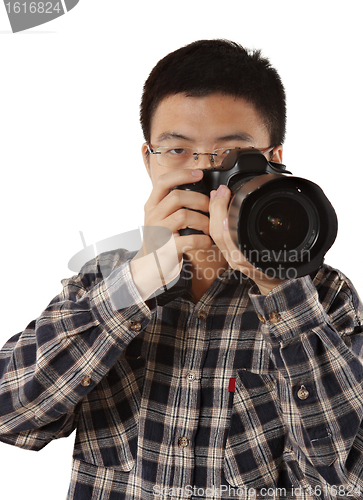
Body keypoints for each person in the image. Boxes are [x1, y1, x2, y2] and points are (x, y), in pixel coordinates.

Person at [0, 39, 362, 500]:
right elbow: (11, 415)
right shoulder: (104, 283)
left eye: (231, 155)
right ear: (148, 159)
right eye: (177, 151)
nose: (204, 172)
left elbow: (341, 471)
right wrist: (141, 280)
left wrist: (277, 287)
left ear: (274, 161)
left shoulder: (323, 294)